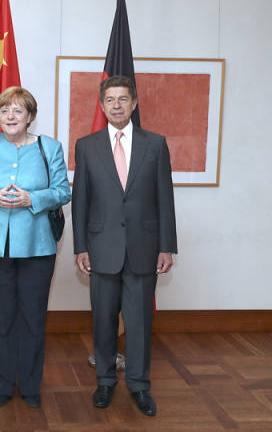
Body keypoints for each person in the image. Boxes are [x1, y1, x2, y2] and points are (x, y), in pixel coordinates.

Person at [72, 75, 177, 416]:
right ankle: (104, 381)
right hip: (101, 248)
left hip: (144, 249)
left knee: (139, 323)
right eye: (110, 99)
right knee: (103, 321)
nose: (116, 105)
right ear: (102, 106)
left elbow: (165, 198)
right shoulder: (86, 146)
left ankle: (139, 385)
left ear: (134, 104)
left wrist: (166, 246)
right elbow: (80, 201)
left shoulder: (155, 144)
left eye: (122, 99)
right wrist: (80, 247)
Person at [0, 86, 71, 408]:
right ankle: (3, 385)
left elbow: (63, 191)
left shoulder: (49, 147)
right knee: (0, 317)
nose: (10, 116)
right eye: (4, 110)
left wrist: (32, 199)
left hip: (38, 247)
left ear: (30, 116)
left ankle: (31, 386)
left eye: (18, 110)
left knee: (33, 318)